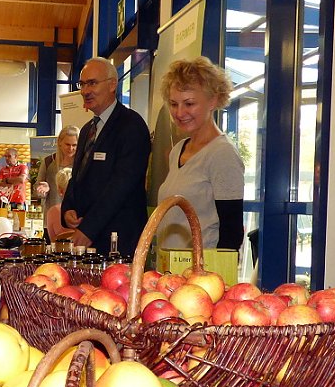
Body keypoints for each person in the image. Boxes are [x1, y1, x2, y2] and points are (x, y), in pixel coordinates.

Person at [61, 57, 151, 256]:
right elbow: (77, 178)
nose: (85, 91)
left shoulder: (132, 126)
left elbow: (121, 186)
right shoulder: (86, 130)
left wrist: (88, 229)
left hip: (119, 242)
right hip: (89, 241)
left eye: (92, 83)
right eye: (82, 84)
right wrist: (68, 209)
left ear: (112, 85)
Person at [156, 56, 244, 251]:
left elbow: (232, 233)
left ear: (213, 100)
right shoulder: (178, 150)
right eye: (173, 104)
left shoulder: (222, 153)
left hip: (201, 266)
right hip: (170, 264)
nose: (179, 113)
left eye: (189, 104)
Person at [33, 126, 79, 238]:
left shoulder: (81, 163)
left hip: (74, 220)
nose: (71, 148)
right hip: (52, 220)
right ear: (59, 143)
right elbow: (37, 190)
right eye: (67, 144)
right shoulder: (49, 162)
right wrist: (43, 190)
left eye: (74, 145)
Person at [45, 167, 73, 242]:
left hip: (61, 248)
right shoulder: (89, 211)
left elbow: (53, 242)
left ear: (60, 190)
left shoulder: (53, 212)